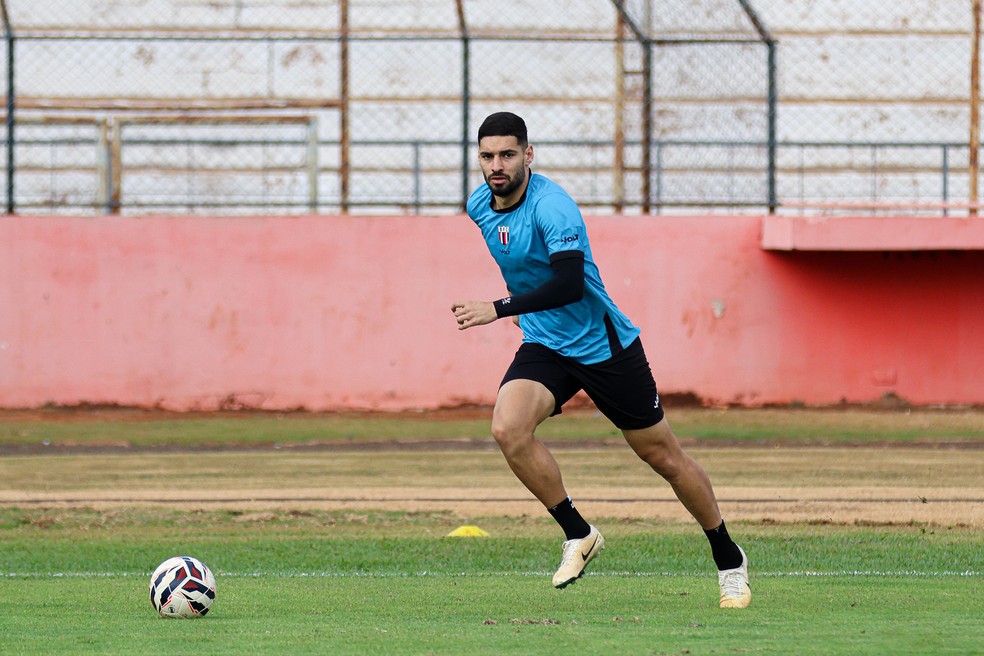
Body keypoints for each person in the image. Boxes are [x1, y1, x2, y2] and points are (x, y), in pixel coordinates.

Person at [450, 112, 751, 608]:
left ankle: (729, 559)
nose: (495, 165)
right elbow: (522, 266)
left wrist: (498, 310)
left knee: (663, 457)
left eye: (506, 154)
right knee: (508, 429)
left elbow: (568, 283)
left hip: (603, 346)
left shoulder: (555, 207)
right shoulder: (480, 204)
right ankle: (579, 533)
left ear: (528, 155)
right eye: (486, 156)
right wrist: (522, 312)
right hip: (547, 344)